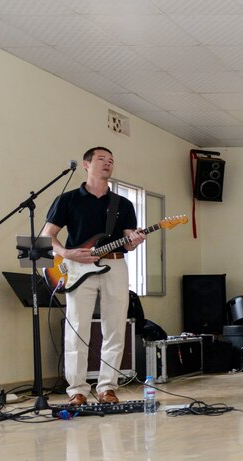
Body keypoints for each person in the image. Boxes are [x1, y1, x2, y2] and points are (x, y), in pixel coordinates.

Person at [43, 147, 145, 406]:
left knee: (115, 328)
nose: (108, 163)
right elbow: (47, 235)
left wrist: (135, 240)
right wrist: (67, 253)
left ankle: (107, 387)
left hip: (115, 265)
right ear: (87, 165)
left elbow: (128, 241)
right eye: (102, 159)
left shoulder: (123, 204)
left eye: (111, 160)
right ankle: (77, 390)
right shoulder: (67, 199)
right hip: (77, 269)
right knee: (77, 327)